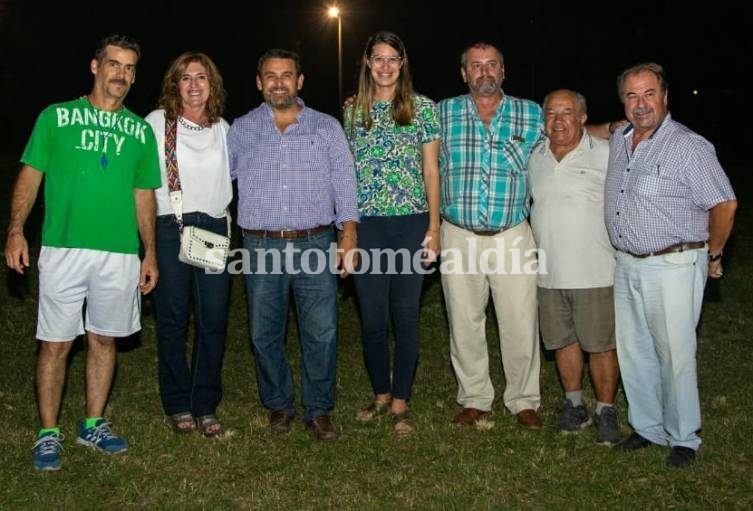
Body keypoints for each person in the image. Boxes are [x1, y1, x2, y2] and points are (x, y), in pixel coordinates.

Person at [4, 34, 160, 471]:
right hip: (63, 247)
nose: (122, 75)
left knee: (104, 339)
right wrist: (16, 230)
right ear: (95, 67)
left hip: (119, 254)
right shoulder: (56, 117)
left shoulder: (140, 130)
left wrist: (149, 252)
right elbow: (30, 176)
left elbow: (143, 193)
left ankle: (93, 423)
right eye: (114, 64)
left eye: (130, 67)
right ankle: (48, 432)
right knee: (55, 343)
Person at [605, 62, 737, 467]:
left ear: (665, 96)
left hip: (674, 263)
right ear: (623, 101)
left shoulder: (687, 146)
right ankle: (647, 427)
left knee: (675, 353)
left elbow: (725, 203)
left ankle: (684, 437)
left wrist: (713, 255)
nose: (640, 104)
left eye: (649, 94)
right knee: (635, 350)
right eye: (632, 95)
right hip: (627, 262)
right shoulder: (621, 139)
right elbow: (598, 129)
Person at [227, 49, 358, 442]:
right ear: (259, 82)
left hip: (315, 241)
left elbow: (345, 183)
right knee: (263, 331)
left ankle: (318, 408)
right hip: (260, 245)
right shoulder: (242, 129)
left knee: (321, 332)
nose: (279, 82)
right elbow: (216, 180)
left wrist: (347, 234)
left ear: (300, 81)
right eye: (271, 75)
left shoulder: (326, 127)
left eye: (287, 75)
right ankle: (279, 405)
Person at [439, 42, 543, 430]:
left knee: (519, 319)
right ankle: (475, 397)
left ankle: (523, 399)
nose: (484, 72)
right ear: (464, 73)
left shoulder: (530, 114)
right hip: (458, 233)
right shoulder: (442, 113)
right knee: (464, 319)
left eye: (491, 65)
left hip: (512, 233)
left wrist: (611, 128)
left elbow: (570, 133)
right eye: (475, 66)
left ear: (503, 71)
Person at [343, 31, 440, 438]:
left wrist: (434, 228)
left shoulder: (422, 109)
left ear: (403, 64)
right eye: (377, 58)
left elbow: (432, 171)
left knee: (405, 316)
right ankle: (381, 392)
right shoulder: (352, 111)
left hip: (411, 224)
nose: (385, 66)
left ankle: (401, 400)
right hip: (368, 227)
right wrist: (345, 232)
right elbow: (345, 174)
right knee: (372, 320)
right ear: (367, 62)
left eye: (393, 59)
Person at [145, 52, 232, 437]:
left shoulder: (223, 128)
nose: (194, 85)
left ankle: (206, 402)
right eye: (185, 78)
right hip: (169, 225)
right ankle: (178, 402)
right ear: (174, 84)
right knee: (172, 319)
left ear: (211, 84)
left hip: (213, 227)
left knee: (213, 320)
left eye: (201, 77)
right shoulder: (156, 123)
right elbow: (143, 185)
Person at [528, 89, 621, 444]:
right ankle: (574, 405)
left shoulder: (607, 154)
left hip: (595, 270)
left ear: (583, 118)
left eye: (567, 113)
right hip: (548, 272)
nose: (558, 120)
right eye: (551, 113)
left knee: (599, 344)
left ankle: (605, 409)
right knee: (562, 342)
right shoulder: (535, 156)